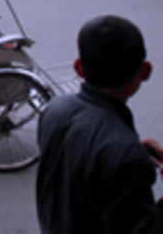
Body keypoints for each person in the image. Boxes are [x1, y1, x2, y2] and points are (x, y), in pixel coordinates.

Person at [36, 15, 163, 233]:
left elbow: (79, 156)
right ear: (145, 71)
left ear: (79, 68)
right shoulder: (125, 155)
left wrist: (125, 153)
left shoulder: (55, 110)